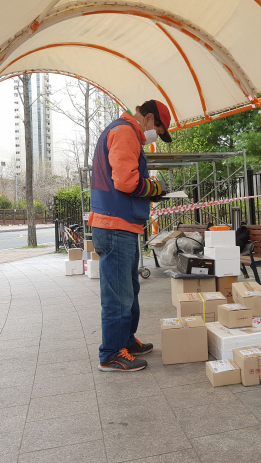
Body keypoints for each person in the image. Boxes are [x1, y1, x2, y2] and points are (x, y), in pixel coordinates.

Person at [89, 100, 172, 371]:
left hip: (121, 224)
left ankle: (125, 341)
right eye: (157, 131)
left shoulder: (123, 131)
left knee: (129, 291)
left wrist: (151, 189)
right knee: (118, 295)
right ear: (148, 119)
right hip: (115, 225)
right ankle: (112, 353)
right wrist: (155, 187)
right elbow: (126, 181)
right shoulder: (125, 132)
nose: (153, 138)